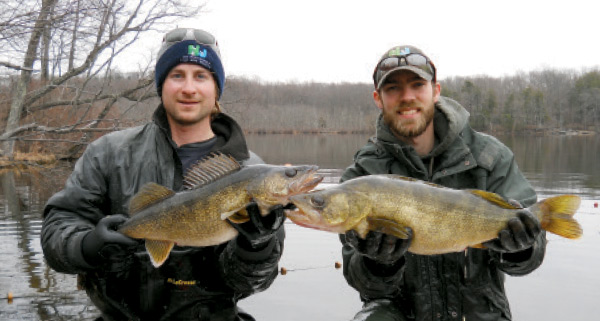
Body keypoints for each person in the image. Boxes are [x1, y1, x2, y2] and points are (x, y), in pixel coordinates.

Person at [41, 28, 286, 321]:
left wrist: (256, 246)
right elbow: (57, 230)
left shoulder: (251, 172)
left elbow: (253, 282)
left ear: (216, 88)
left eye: (201, 76)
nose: (189, 88)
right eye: (177, 75)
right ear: (161, 85)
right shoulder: (108, 153)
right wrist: (89, 245)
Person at [339, 45, 546, 321]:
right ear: (378, 98)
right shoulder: (361, 178)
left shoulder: (489, 156)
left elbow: (528, 261)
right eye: (393, 89)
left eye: (416, 85)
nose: (407, 97)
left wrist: (522, 247)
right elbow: (362, 281)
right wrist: (380, 264)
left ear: (436, 91)